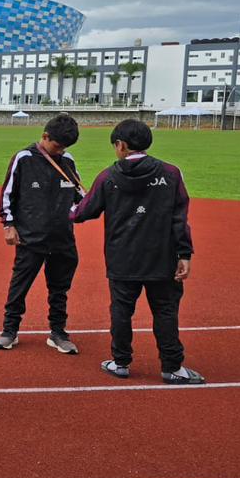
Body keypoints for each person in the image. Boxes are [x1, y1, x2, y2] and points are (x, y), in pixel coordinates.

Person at [71, 119, 203, 385]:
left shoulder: (108, 176)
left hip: (122, 257)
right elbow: (180, 219)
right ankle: (172, 367)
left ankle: (120, 362)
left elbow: (83, 213)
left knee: (121, 310)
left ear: (121, 145)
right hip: (162, 257)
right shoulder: (171, 173)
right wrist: (184, 254)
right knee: (165, 311)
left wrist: (73, 204)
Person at [0, 114, 84, 354]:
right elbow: (7, 194)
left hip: (62, 237)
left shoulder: (68, 160)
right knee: (19, 286)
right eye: (57, 146)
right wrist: (8, 224)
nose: (61, 151)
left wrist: (78, 209)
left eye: (65, 148)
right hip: (30, 237)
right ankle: (9, 330)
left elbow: (79, 195)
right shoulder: (24, 158)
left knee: (59, 289)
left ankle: (58, 332)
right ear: (45, 136)